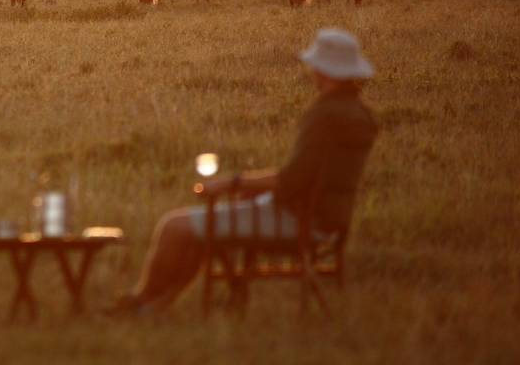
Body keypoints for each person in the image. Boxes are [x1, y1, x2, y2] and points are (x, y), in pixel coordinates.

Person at [112, 28, 379, 313]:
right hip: (331, 220)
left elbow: (293, 181)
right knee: (209, 224)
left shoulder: (324, 115)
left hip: (298, 220)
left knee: (173, 226)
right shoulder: (361, 115)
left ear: (323, 70)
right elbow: (311, 176)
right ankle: (156, 305)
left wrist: (232, 182)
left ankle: (140, 299)